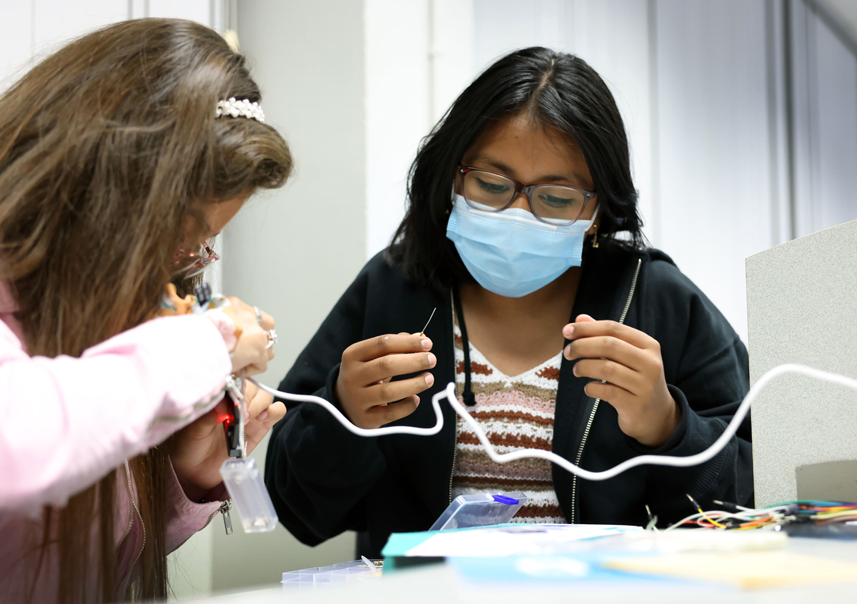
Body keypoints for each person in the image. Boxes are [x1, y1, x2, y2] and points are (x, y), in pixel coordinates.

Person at [265, 47, 753, 559]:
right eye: (491, 185)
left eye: (556, 198)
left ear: (598, 214)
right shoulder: (394, 288)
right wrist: (346, 416)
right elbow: (296, 508)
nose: (517, 213)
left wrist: (668, 426)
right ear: (454, 177)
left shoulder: (655, 299)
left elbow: (753, 502)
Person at [0, 19, 290, 604]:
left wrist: (181, 474)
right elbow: (5, 454)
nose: (183, 267)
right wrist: (206, 340)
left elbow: (62, 566)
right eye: (180, 235)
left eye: (202, 245)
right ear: (94, 181)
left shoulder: (79, 309)